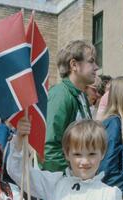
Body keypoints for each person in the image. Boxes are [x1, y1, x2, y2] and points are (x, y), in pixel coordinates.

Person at [43, 40, 98, 172]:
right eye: (91, 61)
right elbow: (49, 147)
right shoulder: (60, 95)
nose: (96, 67)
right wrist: (67, 178)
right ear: (74, 65)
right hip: (61, 183)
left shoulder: (81, 96)